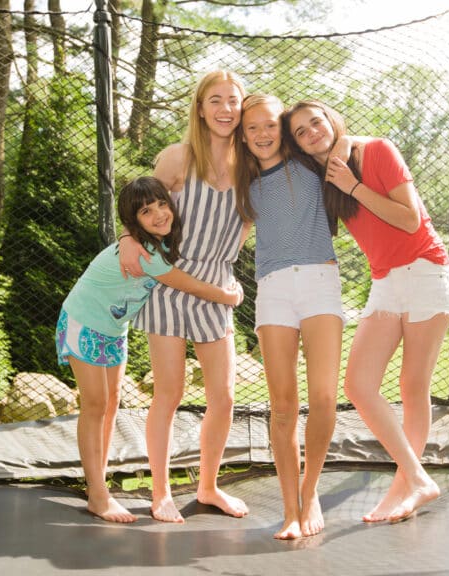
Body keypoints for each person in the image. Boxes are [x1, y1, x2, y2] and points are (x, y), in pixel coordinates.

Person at [283, 100, 449, 523]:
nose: (311, 133)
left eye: (316, 122)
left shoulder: (377, 150)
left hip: (424, 272)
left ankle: (406, 487)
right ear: (298, 145)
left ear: (331, 120)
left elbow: (410, 221)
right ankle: (416, 478)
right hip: (386, 283)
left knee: (412, 385)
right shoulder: (324, 178)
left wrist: (353, 185)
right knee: (359, 385)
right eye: (301, 132)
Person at [55, 176, 243, 523]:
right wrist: (231, 296)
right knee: (95, 405)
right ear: (133, 221)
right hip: (84, 323)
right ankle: (97, 493)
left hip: (113, 329)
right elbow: (189, 285)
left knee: (111, 405)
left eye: (162, 205)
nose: (159, 214)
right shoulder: (148, 253)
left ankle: (101, 480)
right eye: (146, 211)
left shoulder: (157, 242)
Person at [118, 70, 252, 523]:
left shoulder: (250, 168)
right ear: (200, 107)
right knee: (169, 394)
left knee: (225, 396)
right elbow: (140, 212)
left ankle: (209, 487)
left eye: (233, 100)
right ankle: (160, 492)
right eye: (215, 100)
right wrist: (125, 239)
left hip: (218, 285)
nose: (225, 109)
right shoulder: (177, 158)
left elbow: (244, 227)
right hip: (170, 284)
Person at [234, 94, 344, 539]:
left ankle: (311, 490)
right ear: (243, 135)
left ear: (282, 129)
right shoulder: (242, 181)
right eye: (251, 128)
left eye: (269, 126)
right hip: (274, 288)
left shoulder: (312, 166)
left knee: (323, 399)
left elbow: (345, 141)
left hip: (319, 280)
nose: (262, 135)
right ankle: (290, 508)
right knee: (282, 407)